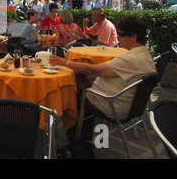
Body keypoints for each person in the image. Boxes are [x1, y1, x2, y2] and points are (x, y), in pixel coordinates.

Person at [49, 16, 156, 149]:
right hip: (127, 102)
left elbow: (95, 69)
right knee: (80, 78)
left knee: (72, 91)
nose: (118, 37)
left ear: (133, 37)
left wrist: (64, 62)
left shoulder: (130, 59)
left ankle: (75, 139)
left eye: (121, 35)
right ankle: (83, 135)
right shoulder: (144, 55)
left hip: (110, 102)